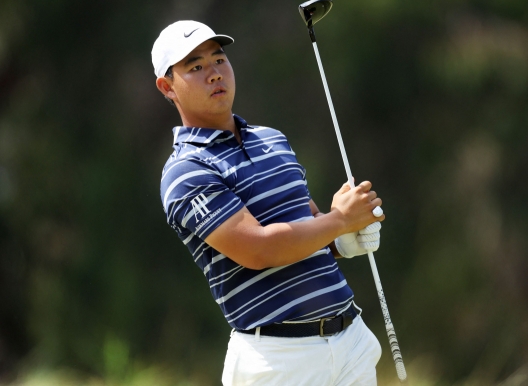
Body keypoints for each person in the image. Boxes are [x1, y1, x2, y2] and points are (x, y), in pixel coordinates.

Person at [152, 20, 384, 386]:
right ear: (167, 87)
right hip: (278, 360)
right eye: (195, 67)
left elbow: (306, 226)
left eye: (219, 60)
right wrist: (339, 221)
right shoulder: (185, 171)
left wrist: (341, 241)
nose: (214, 74)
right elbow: (258, 249)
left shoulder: (272, 140)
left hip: (350, 340)